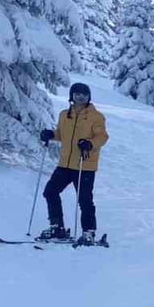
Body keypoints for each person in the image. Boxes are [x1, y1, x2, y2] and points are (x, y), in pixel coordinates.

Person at [38, 82, 109, 245]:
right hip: (65, 164)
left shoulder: (96, 116)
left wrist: (90, 143)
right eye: (77, 93)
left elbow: (102, 137)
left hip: (85, 165)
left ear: (89, 97)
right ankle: (57, 227)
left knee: (84, 200)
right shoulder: (64, 115)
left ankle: (89, 233)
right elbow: (62, 135)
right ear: (72, 96)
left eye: (84, 94)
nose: (80, 96)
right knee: (50, 192)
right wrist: (51, 134)